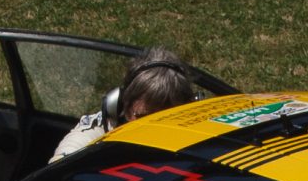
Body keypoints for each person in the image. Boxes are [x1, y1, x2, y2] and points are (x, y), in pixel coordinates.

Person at [50, 48, 203, 159]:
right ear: (124, 106)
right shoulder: (84, 142)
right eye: (145, 118)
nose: (157, 130)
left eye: (169, 119)